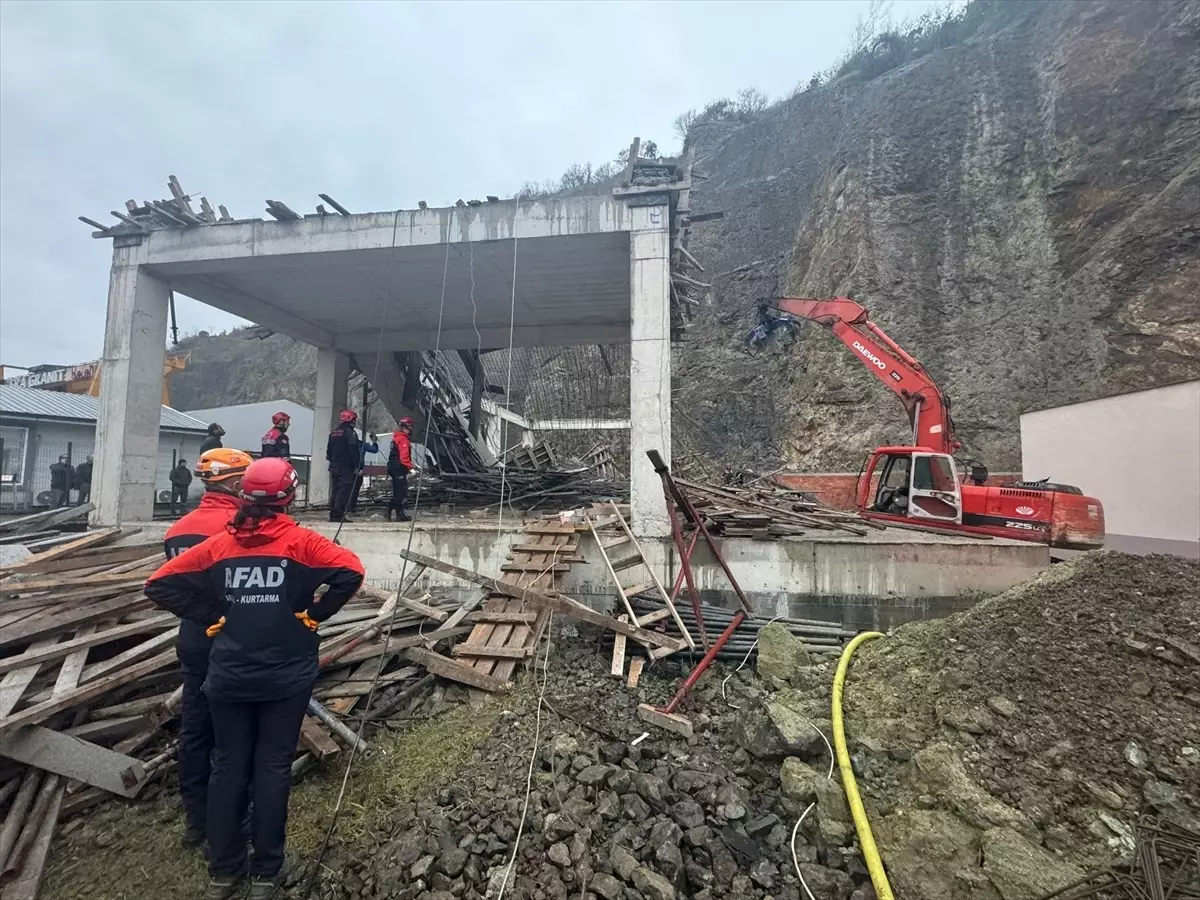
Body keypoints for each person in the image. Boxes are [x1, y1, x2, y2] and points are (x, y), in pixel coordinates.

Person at [144, 458, 365, 900]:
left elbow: (159, 584)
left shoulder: (219, 547)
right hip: (286, 677)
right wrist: (316, 615)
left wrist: (215, 615)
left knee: (228, 767)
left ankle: (223, 873)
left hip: (228, 676)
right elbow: (352, 572)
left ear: (243, 495)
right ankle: (265, 874)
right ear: (290, 497)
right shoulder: (301, 543)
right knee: (271, 768)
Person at [162, 448, 254, 855]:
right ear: (235, 483)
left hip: (195, 641)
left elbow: (172, 589)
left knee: (196, 731)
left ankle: (195, 821)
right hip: (236, 642)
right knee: (235, 736)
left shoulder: (177, 532)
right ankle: (233, 824)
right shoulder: (240, 526)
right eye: (247, 481)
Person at [325, 409, 361, 522]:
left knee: (335, 489)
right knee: (344, 490)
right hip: (346, 466)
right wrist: (358, 465)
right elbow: (353, 450)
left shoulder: (334, 432)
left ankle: (333, 514)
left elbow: (329, 451)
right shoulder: (350, 433)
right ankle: (339, 515)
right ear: (352, 420)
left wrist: (332, 461)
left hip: (334, 465)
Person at [386, 417, 420, 522]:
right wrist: (411, 468)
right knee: (401, 492)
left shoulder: (396, 438)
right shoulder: (403, 439)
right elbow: (403, 458)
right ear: (406, 427)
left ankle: (398, 514)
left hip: (393, 467)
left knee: (398, 491)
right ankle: (393, 511)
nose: (411, 428)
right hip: (398, 468)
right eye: (410, 426)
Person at [348, 429, 378, 515]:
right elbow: (374, 450)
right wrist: (374, 441)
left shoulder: (348, 445)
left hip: (349, 470)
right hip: (358, 470)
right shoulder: (362, 445)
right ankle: (351, 508)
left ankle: (347, 507)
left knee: (348, 490)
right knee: (355, 490)